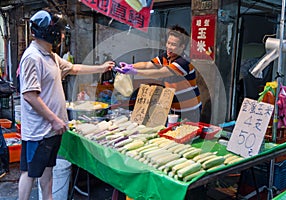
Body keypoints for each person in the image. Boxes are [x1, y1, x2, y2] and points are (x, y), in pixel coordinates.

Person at [18, 10, 115, 200]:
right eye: (61, 31)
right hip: (39, 131)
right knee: (30, 173)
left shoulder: (50, 55)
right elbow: (30, 95)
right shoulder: (33, 57)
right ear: (50, 33)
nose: (63, 36)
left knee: (47, 174)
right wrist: (54, 120)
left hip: (51, 131)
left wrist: (101, 68)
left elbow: (73, 68)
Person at [116, 25, 202, 122]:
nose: (169, 47)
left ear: (182, 47)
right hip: (175, 108)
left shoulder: (184, 62)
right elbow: (148, 65)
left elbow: (160, 73)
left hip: (190, 110)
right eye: (168, 43)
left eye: (173, 44)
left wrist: (135, 72)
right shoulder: (166, 56)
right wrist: (131, 66)